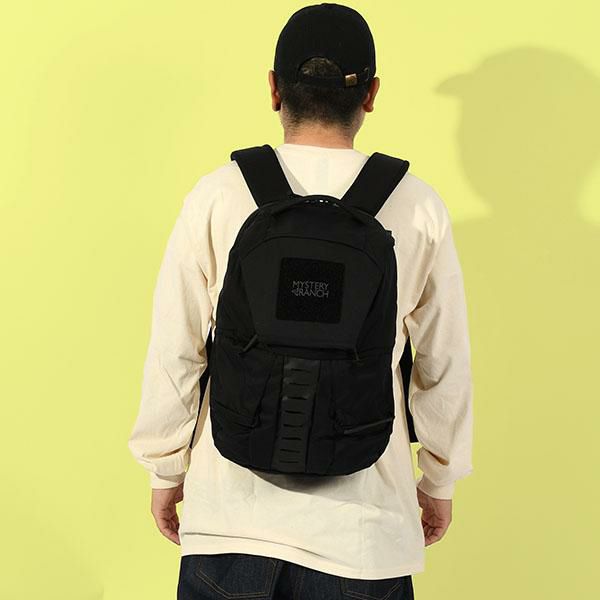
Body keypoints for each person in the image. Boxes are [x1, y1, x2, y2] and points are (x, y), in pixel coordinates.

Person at [128, 3, 474, 599]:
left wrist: (166, 467)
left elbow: (176, 348)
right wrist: (438, 480)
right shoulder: (417, 206)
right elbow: (444, 362)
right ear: (371, 94)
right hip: (363, 536)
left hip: (230, 523)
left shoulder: (218, 195)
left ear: (273, 88)